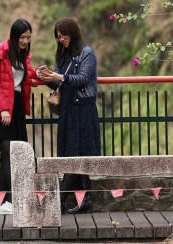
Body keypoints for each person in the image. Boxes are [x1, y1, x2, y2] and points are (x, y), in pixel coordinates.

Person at [37, 17, 100, 214]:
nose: (61, 40)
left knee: (79, 154)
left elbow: (82, 79)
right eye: (58, 37)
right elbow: (59, 84)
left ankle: (61, 199)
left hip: (83, 110)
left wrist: (60, 76)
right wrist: (47, 77)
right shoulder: (64, 56)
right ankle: (84, 199)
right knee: (72, 153)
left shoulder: (86, 53)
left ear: (72, 34)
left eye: (63, 36)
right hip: (68, 109)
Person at [0, 18, 36, 215]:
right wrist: (4, 108)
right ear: (14, 36)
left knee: (18, 152)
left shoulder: (23, 55)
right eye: (22, 37)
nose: (25, 41)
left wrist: (42, 74)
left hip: (17, 108)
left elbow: (28, 75)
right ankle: (4, 201)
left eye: (28, 38)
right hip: (1, 110)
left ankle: (17, 199)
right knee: (6, 154)